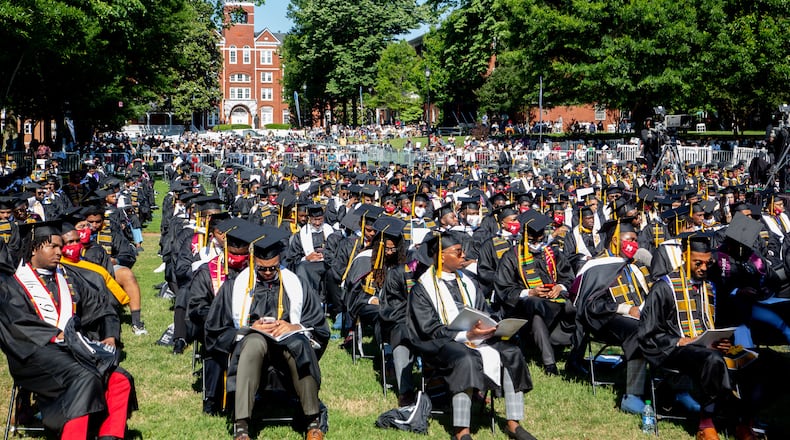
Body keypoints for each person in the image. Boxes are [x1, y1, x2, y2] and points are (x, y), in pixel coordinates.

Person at [0, 222, 136, 439]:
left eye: (60, 246)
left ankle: (109, 435)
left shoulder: (70, 278)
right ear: (35, 248)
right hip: (32, 355)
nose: (59, 251)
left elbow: (103, 310)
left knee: (119, 378)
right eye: (52, 246)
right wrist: (57, 336)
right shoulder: (12, 284)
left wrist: (109, 336)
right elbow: (16, 326)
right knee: (84, 377)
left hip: (73, 351)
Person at [205, 223, 330, 440]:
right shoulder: (236, 286)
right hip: (251, 344)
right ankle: (242, 426)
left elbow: (318, 326)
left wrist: (294, 327)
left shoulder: (296, 283)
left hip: (287, 342)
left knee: (300, 345)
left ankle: (313, 422)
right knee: (254, 343)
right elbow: (214, 329)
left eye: (273, 267)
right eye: (262, 268)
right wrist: (248, 328)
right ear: (253, 262)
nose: (268, 273)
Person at [408, 232, 536, 440]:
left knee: (511, 352)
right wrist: (464, 335)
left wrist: (491, 326)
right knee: (465, 359)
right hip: (441, 343)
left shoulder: (468, 281)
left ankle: (513, 423)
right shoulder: (423, 289)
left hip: (476, 337)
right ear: (441, 256)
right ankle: (461, 430)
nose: (463, 255)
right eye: (457, 252)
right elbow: (428, 328)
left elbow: (482, 310)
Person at [638, 233, 756, 440]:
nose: (703, 267)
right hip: (675, 350)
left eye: (707, 263)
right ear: (685, 256)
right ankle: (707, 424)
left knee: (753, 360)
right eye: (697, 263)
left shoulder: (710, 287)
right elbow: (647, 334)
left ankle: (744, 420)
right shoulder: (663, 288)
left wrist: (724, 339)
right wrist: (678, 341)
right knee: (713, 360)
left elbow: (719, 324)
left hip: (709, 347)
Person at [570, 218, 651, 414]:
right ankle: (632, 395)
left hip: (639, 314)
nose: (634, 244)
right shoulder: (597, 266)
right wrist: (625, 309)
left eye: (635, 239)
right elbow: (592, 305)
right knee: (638, 330)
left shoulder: (637, 265)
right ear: (615, 240)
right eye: (629, 239)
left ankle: (676, 387)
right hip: (606, 320)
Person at [493, 209, 575, 375]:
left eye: (540, 239)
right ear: (524, 236)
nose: (537, 243)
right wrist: (530, 292)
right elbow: (504, 288)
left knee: (540, 315)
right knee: (535, 305)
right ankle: (550, 364)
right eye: (532, 239)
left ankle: (551, 362)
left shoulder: (553, 253)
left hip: (553, 302)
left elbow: (569, 278)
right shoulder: (512, 256)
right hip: (524, 307)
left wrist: (560, 287)